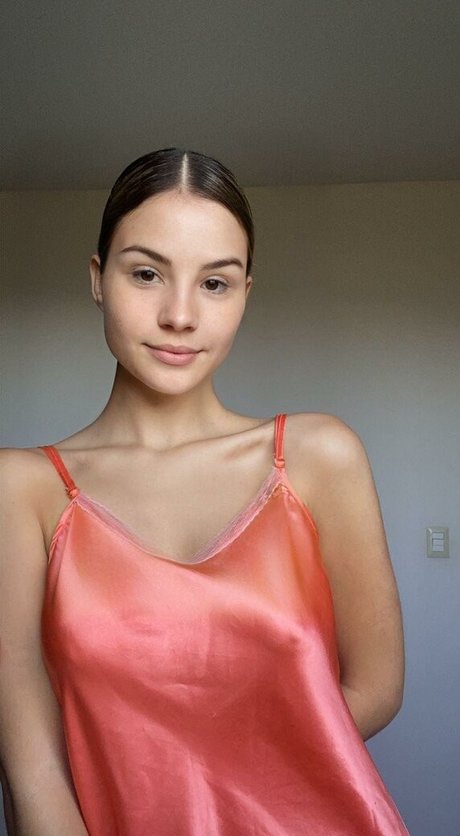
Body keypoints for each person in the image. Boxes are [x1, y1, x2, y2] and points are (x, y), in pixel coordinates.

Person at [0, 148, 409, 835]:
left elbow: (375, 688)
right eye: (147, 273)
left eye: (215, 283)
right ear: (98, 279)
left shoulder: (318, 457)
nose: (180, 315)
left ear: (245, 292)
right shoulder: (22, 489)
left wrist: (208, 785)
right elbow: (30, 764)